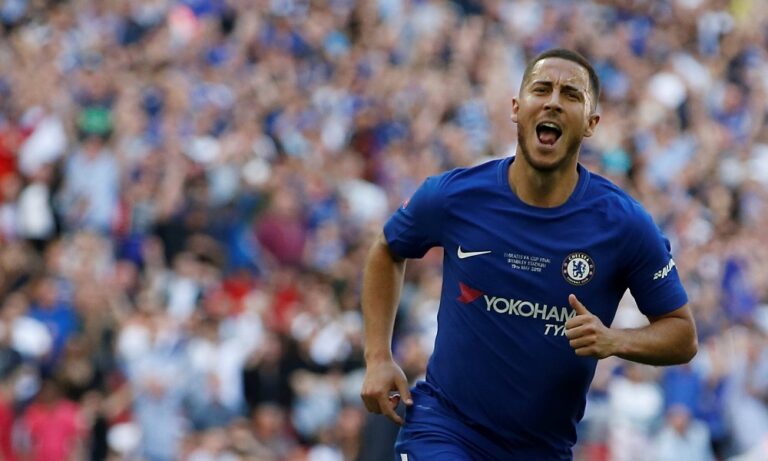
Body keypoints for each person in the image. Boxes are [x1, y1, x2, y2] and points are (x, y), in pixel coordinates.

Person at [359, 48, 698, 461]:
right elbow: (387, 249)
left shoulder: (624, 224)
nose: (553, 101)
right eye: (541, 89)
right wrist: (378, 356)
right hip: (445, 428)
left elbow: (682, 334)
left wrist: (615, 340)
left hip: (543, 449)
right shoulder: (456, 196)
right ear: (517, 108)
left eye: (571, 94)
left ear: (591, 124)